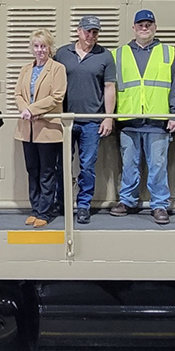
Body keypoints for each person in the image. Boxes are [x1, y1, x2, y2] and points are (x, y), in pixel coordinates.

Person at [111, 9, 175, 224]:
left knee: (158, 167)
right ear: (133, 28)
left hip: (157, 121)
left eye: (148, 25)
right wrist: (109, 117)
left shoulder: (168, 53)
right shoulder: (118, 54)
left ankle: (160, 204)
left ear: (155, 27)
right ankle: (127, 200)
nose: (144, 28)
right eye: (140, 25)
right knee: (129, 165)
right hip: (128, 120)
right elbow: (110, 88)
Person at [53, 16, 116, 225]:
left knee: (87, 166)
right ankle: (62, 202)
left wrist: (108, 117)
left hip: (92, 121)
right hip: (65, 119)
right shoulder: (62, 53)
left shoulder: (105, 56)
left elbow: (109, 87)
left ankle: (83, 206)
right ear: (78, 31)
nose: (91, 35)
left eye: (95, 32)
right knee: (62, 164)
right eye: (87, 31)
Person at [15, 29, 68, 228]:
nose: (40, 50)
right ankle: (35, 208)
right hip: (26, 129)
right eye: (36, 46)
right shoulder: (25, 69)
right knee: (32, 170)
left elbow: (57, 96)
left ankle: (45, 212)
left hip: (48, 129)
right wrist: (25, 110)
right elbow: (18, 94)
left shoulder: (58, 69)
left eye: (43, 46)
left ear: (50, 47)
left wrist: (32, 109)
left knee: (47, 172)